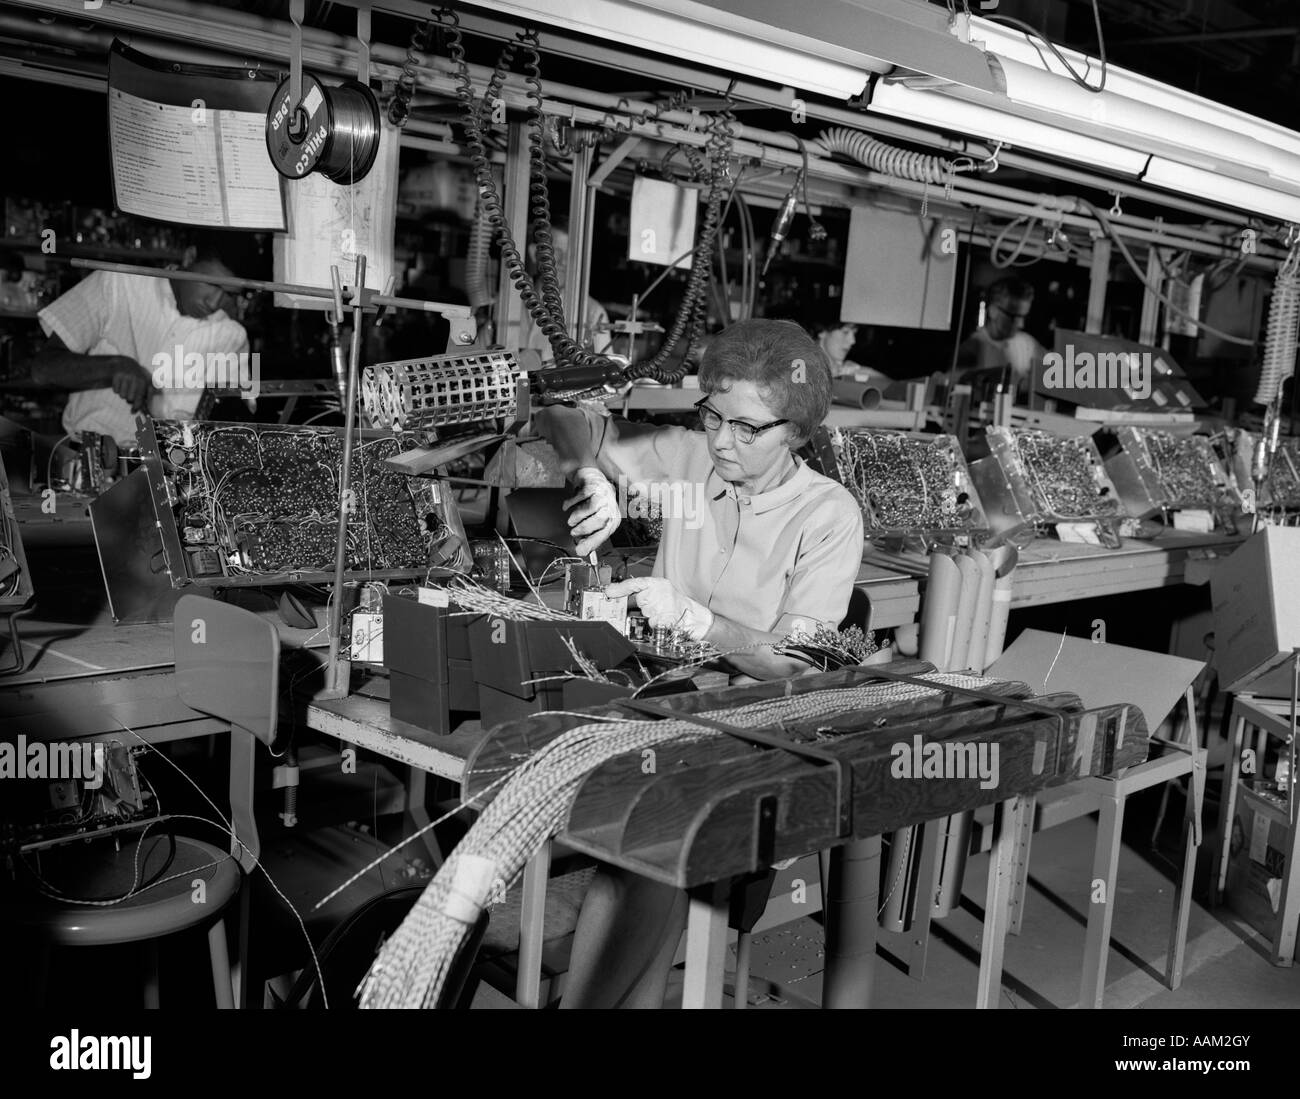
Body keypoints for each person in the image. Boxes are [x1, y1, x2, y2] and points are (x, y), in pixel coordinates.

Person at [533, 318, 865, 1007]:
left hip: (760, 728)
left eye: (748, 429)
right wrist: (587, 470)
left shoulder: (827, 515)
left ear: (798, 431)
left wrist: (697, 619)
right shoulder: (689, 460)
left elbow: (796, 666)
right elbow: (562, 416)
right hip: (666, 702)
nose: (721, 440)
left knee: (647, 848)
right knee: (625, 836)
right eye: (713, 416)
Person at [32, 235, 251, 447]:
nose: (215, 302)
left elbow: (233, 426)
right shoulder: (117, 284)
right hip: (94, 463)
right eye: (212, 285)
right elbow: (43, 369)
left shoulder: (231, 336)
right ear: (188, 257)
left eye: (229, 294)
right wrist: (114, 367)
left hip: (176, 474)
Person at [518, 218, 613, 363]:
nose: (563, 262)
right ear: (533, 253)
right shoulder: (507, 304)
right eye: (556, 252)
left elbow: (605, 374)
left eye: (569, 255)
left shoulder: (592, 313)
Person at [955, 277, 1048, 403]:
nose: (1021, 324)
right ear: (993, 311)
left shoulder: (1027, 345)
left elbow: (1056, 372)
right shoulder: (971, 348)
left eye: (1024, 317)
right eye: (1014, 316)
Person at [809, 311, 893, 389]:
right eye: (845, 332)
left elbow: (894, 388)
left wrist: (862, 372)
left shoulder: (845, 368)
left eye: (854, 333)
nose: (852, 341)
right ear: (822, 332)